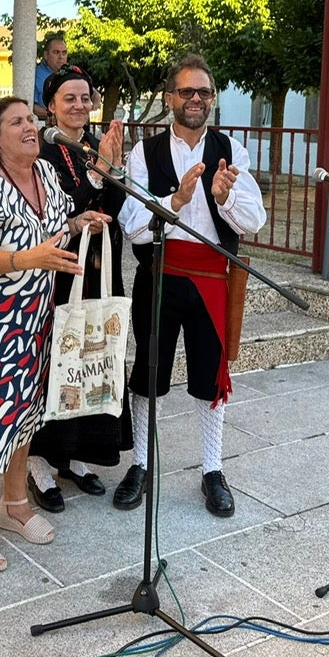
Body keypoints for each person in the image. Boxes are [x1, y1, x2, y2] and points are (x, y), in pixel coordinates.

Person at [0, 97, 110, 572]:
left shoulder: (47, 176)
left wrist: (78, 222)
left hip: (34, 316)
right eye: (17, 122)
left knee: (24, 413)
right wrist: (31, 258)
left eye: (30, 119)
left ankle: (14, 506)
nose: (30, 127)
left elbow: (53, 230)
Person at [115, 54, 266, 518]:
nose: (195, 99)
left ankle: (213, 469)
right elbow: (133, 225)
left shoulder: (231, 150)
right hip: (160, 275)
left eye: (203, 92)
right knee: (149, 371)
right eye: (186, 91)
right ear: (169, 98)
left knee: (209, 376)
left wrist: (224, 199)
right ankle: (141, 463)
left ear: (213, 99)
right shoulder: (145, 152)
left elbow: (254, 221)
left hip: (212, 278)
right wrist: (175, 200)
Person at [26, 65, 131, 513]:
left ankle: (77, 456)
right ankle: (39, 464)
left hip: (100, 264)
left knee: (94, 356)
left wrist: (115, 170)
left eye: (85, 97)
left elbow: (116, 204)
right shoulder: (43, 151)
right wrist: (99, 174)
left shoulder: (93, 145)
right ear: (51, 105)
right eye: (69, 98)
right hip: (60, 268)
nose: (79, 105)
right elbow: (60, 208)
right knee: (57, 360)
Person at [32, 34, 68, 121]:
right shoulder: (35, 75)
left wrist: (94, 93)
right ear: (46, 55)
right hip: (45, 127)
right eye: (56, 52)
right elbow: (31, 106)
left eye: (64, 53)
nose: (61, 57)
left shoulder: (70, 73)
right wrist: (55, 115)